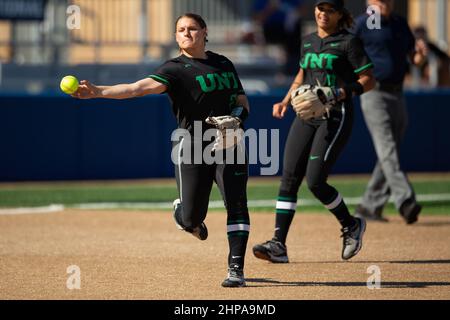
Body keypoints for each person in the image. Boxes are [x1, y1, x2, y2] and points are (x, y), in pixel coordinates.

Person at [71, 13, 251, 287]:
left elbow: (241, 101)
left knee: (237, 203)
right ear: (176, 36)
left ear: (204, 31)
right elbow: (136, 88)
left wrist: (237, 118)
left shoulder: (223, 63)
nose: (186, 33)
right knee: (192, 218)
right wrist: (97, 91)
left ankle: (236, 269)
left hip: (229, 142)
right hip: (192, 145)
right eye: (180, 30)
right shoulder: (175, 68)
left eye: (192, 28)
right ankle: (183, 214)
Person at [252, 0, 376, 263]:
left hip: (335, 115)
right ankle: (278, 244)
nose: (322, 13)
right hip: (306, 116)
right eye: (320, 8)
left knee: (316, 181)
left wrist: (341, 92)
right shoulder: (307, 40)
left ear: (340, 14)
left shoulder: (348, 42)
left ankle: (351, 224)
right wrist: (285, 100)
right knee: (288, 177)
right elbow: (301, 74)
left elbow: (369, 79)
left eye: (329, 10)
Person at [353, 0, 427, 224]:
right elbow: (345, 51)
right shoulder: (363, 23)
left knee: (389, 153)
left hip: (398, 92)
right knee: (387, 149)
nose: (384, 3)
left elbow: (413, 58)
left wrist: (420, 57)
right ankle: (405, 200)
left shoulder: (399, 24)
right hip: (373, 92)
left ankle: (369, 206)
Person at [252, 0, 305, 76]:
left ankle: (293, 67)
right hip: (271, 29)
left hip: (289, 32)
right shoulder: (262, 2)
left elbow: (302, 10)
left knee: (295, 31)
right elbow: (257, 18)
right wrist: (270, 8)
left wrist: (293, 14)